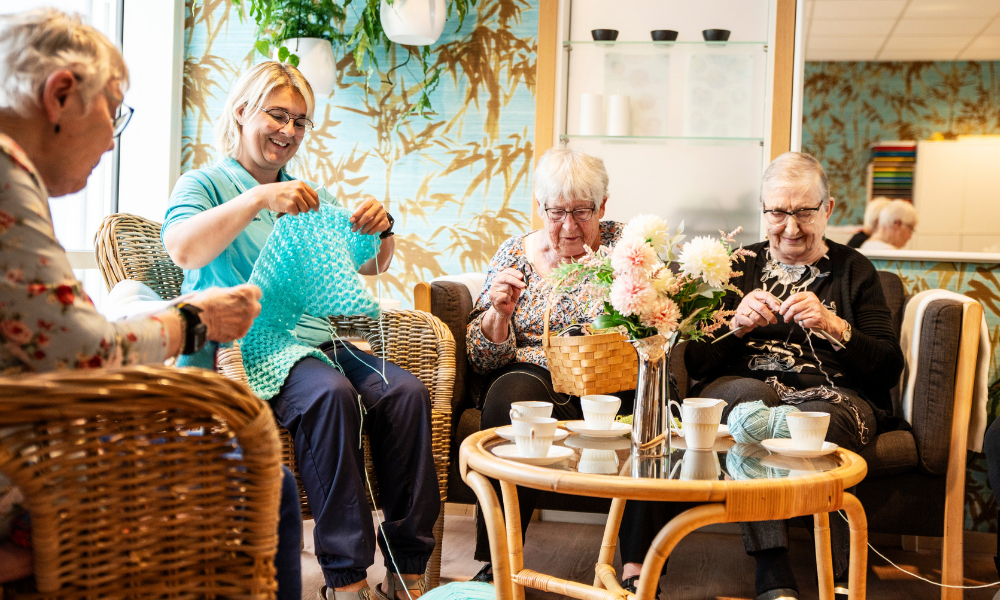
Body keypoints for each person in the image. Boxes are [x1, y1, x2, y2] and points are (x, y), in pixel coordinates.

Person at [0, 10, 303, 600]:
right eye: (114, 112)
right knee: (263, 481)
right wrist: (196, 320)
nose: (114, 137)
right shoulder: (7, 179)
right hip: (24, 471)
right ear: (60, 94)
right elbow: (85, 354)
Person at [161, 60, 439, 600]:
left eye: (300, 121)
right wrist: (259, 199)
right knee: (329, 396)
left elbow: (371, 265)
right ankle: (347, 578)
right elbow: (182, 248)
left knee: (406, 393)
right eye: (277, 115)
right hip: (246, 343)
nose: (288, 131)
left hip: (319, 342)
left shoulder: (309, 195)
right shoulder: (205, 184)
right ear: (242, 111)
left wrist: (382, 229)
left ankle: (409, 570)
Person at [684, 152, 904, 600]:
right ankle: (773, 570)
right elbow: (695, 363)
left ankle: (842, 578)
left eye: (804, 212)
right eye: (778, 212)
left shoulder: (853, 269)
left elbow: (886, 366)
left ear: (828, 209)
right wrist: (735, 326)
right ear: (763, 212)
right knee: (746, 401)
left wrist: (833, 324)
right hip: (749, 386)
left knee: (819, 417)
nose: (791, 226)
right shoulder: (736, 266)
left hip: (832, 393)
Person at [466, 146, 660, 591]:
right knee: (509, 394)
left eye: (581, 211)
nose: (569, 226)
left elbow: (658, 325)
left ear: (603, 207)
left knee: (652, 404)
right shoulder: (515, 254)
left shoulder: (628, 248)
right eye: (557, 212)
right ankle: (496, 558)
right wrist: (498, 314)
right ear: (540, 207)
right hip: (535, 373)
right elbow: (481, 358)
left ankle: (637, 571)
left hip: (612, 377)